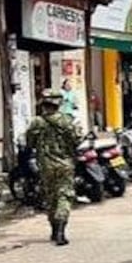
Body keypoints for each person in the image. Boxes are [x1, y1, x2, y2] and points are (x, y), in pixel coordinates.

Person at [24, 88, 80, 246]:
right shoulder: (67, 120)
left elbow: (29, 143)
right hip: (65, 164)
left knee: (50, 197)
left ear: (43, 105)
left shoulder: (37, 122)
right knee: (64, 196)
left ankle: (54, 230)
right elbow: (77, 139)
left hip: (46, 165)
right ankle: (61, 231)